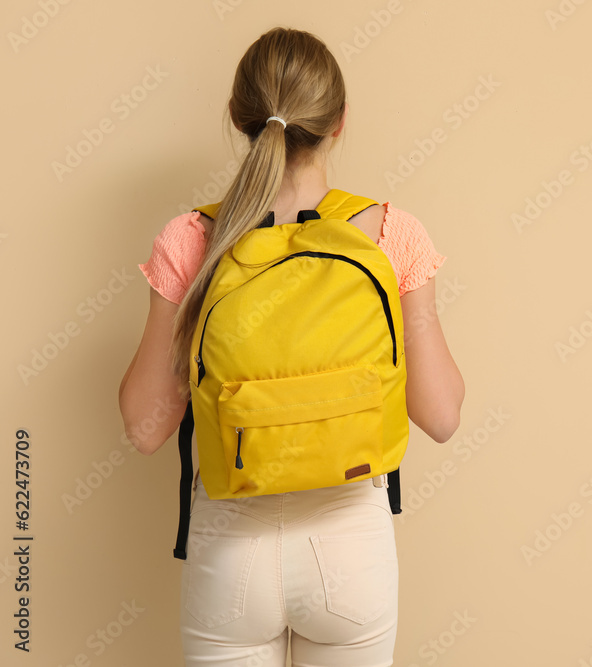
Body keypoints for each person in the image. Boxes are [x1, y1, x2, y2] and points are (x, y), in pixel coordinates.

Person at [118, 26, 465, 666]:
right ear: (338, 122)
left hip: (229, 550)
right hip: (350, 551)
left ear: (237, 117)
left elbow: (144, 426)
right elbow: (441, 417)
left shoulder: (193, 237)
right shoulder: (391, 233)